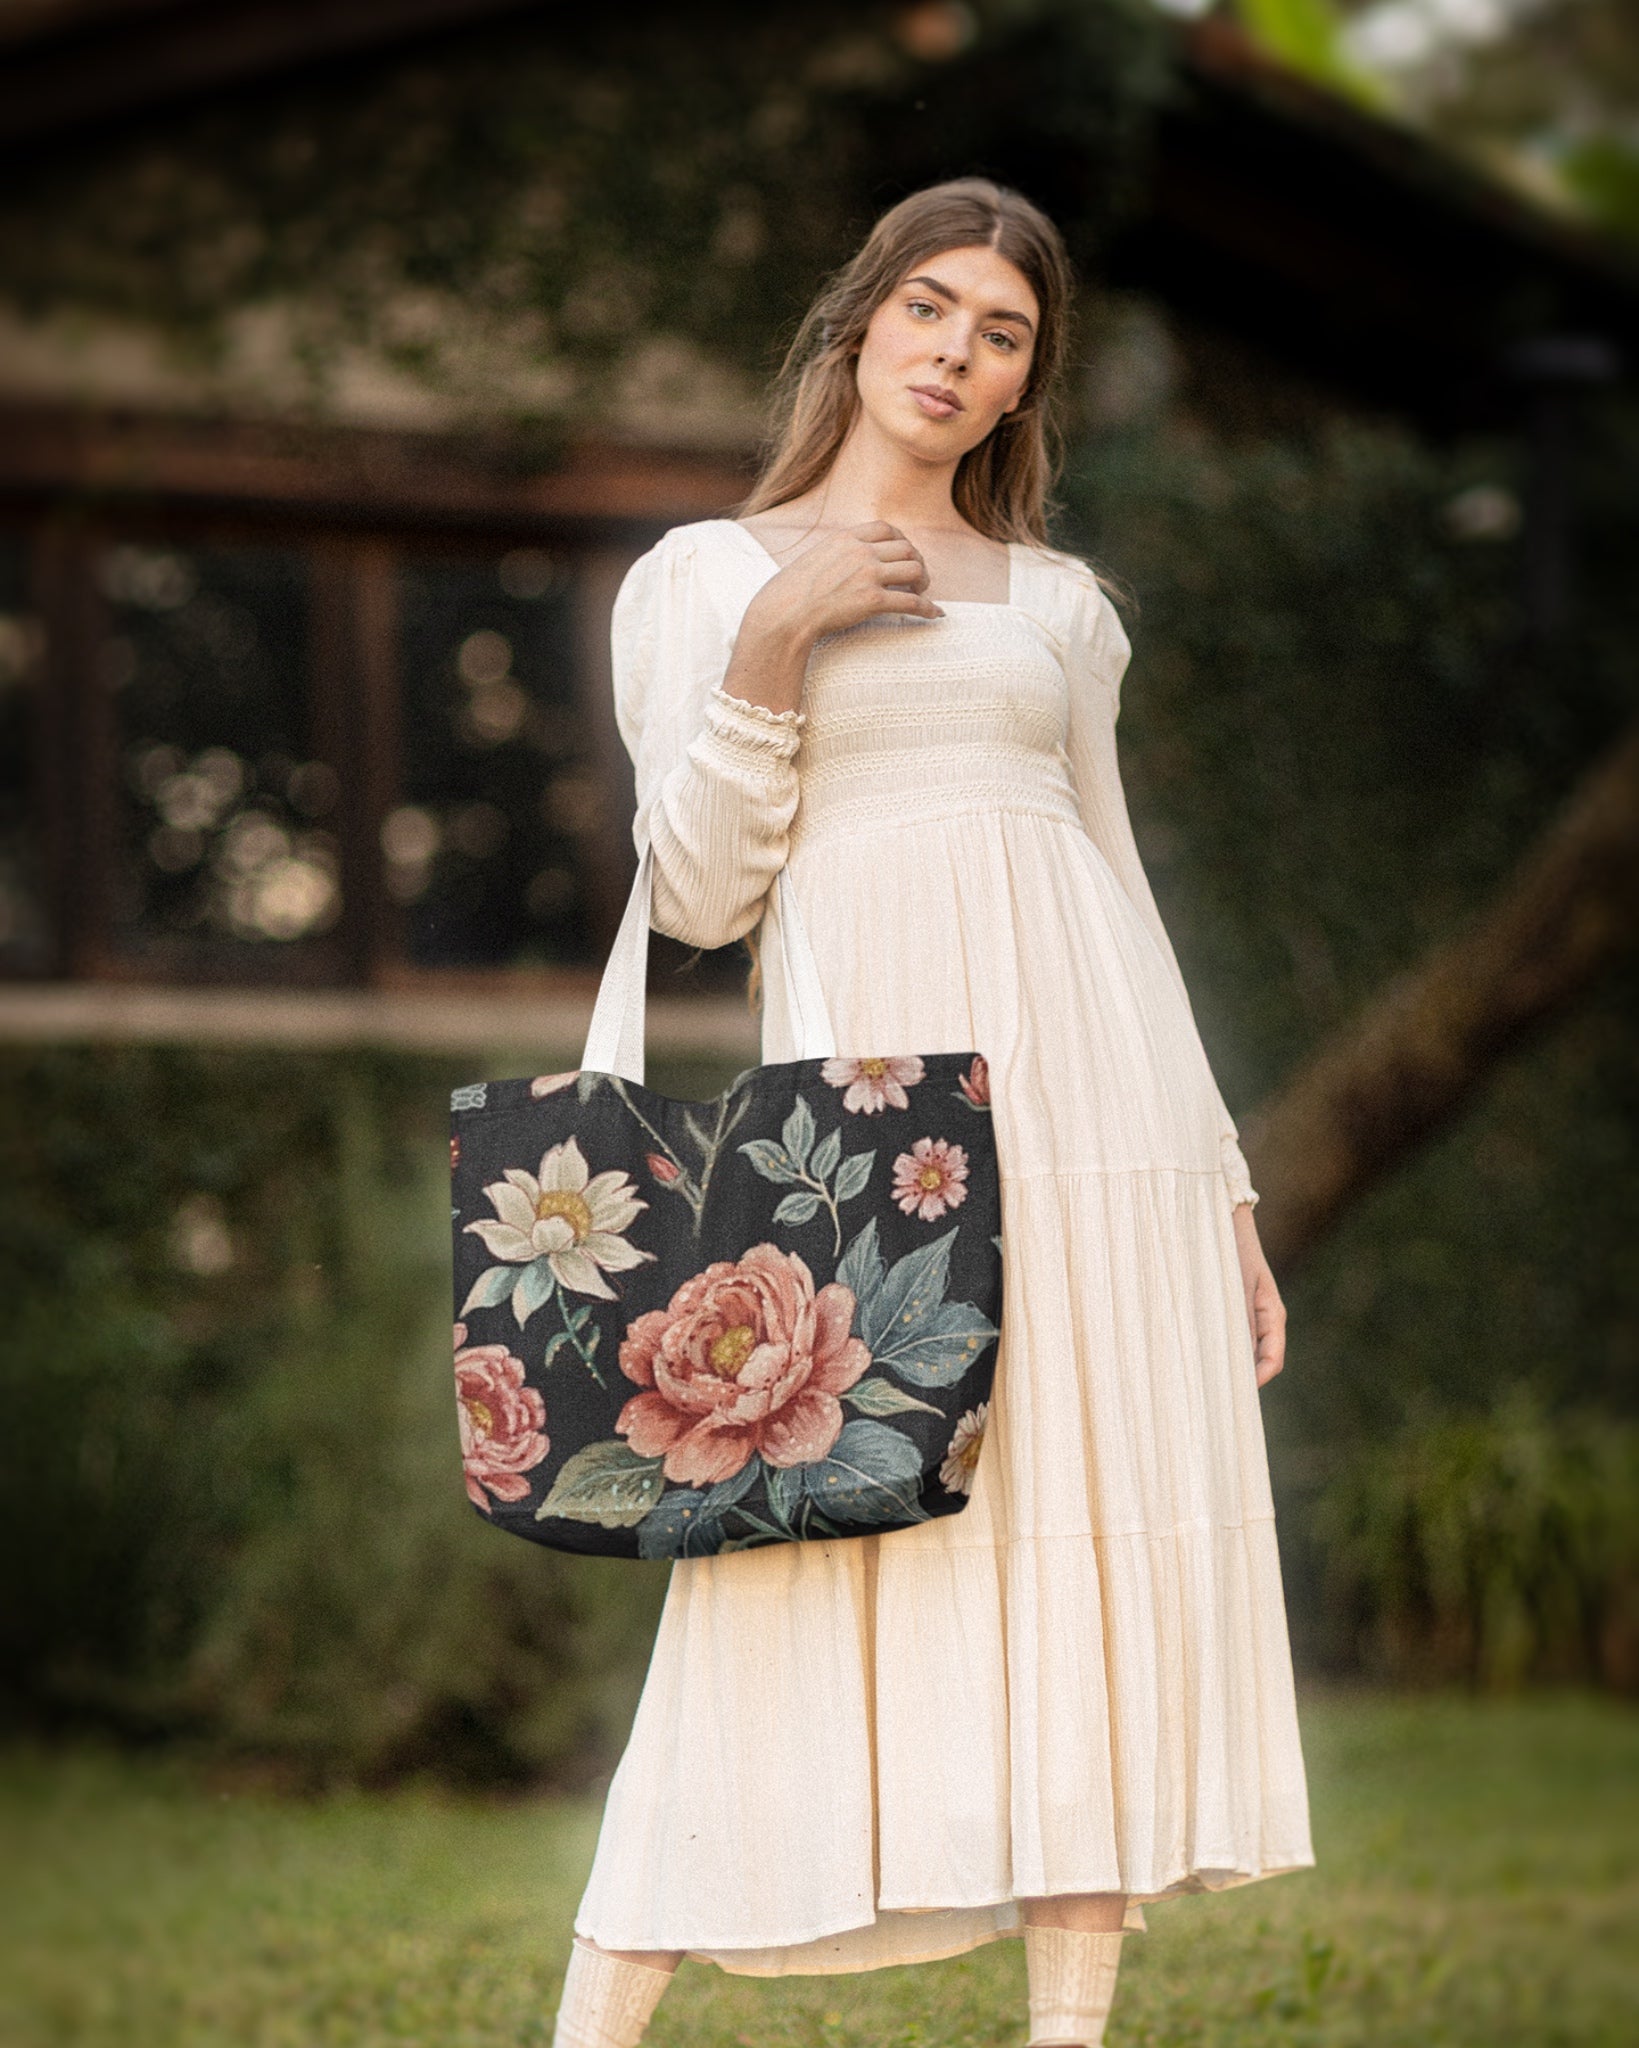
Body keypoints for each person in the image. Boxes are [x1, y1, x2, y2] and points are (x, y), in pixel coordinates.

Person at [551, 176, 1313, 2048]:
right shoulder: (704, 578)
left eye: (1003, 334)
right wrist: (780, 639)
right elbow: (704, 893)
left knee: (1096, 1555)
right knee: (778, 1579)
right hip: (878, 1136)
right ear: (860, 324)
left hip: (1108, 1123)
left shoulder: (1061, 607)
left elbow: (1116, 883)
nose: (957, 354)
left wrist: (1223, 1193)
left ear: (1020, 383)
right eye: (931, 310)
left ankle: (1070, 2032)